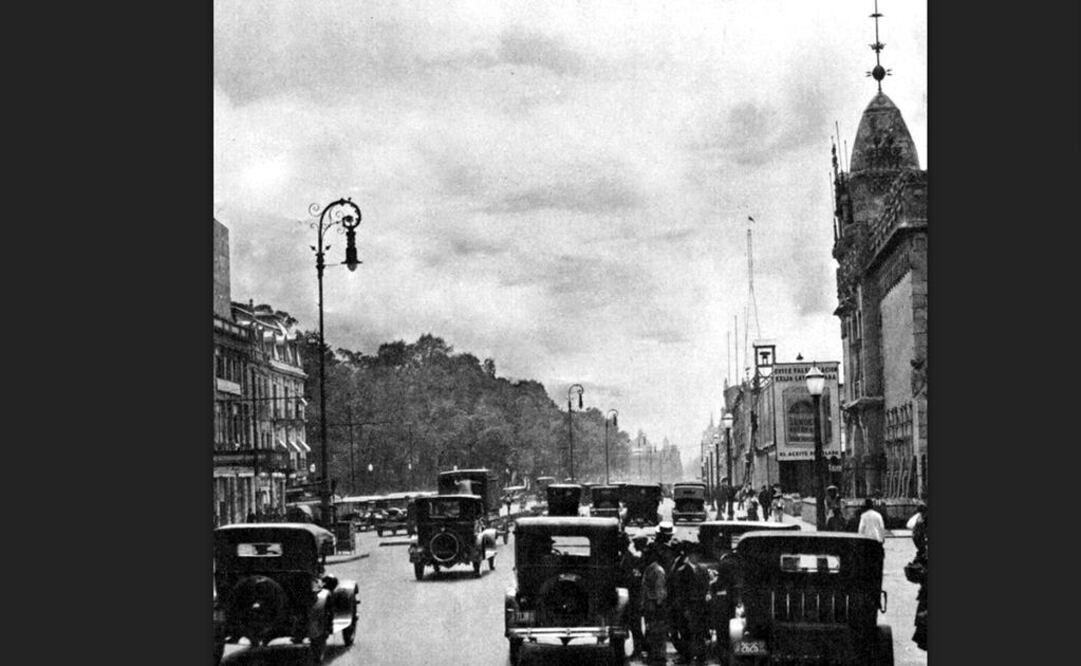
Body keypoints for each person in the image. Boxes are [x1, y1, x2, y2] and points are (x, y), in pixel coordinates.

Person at [668, 542, 708, 664]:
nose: (696, 557)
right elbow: (679, 592)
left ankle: (701, 657)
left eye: (698, 555)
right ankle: (687, 656)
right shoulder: (682, 571)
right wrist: (684, 608)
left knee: (700, 633)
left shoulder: (703, 570)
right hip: (688, 606)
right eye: (694, 555)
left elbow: (705, 587)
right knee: (686, 633)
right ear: (689, 556)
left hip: (700, 606)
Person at [641, 545, 671, 666]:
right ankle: (654, 654)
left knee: (658, 632)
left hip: (656, 607)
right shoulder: (651, 569)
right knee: (652, 632)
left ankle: (659, 656)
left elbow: (660, 591)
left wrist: (658, 605)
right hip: (651, 606)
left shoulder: (657, 571)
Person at [620, 534, 648, 658]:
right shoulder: (634, 557)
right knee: (634, 624)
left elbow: (633, 577)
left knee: (634, 624)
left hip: (634, 596)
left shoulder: (632, 558)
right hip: (634, 595)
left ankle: (640, 648)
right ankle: (641, 648)